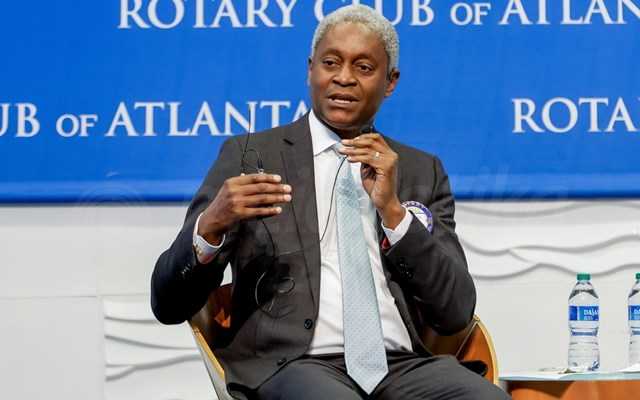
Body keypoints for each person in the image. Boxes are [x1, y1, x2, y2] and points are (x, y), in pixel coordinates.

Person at [151, 5, 510, 400]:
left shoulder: (420, 170)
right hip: (291, 364)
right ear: (310, 70)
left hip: (400, 366)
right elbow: (168, 304)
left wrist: (394, 214)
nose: (344, 77)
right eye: (331, 63)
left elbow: (455, 312)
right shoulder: (251, 157)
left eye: (364, 67)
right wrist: (210, 226)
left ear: (390, 82)